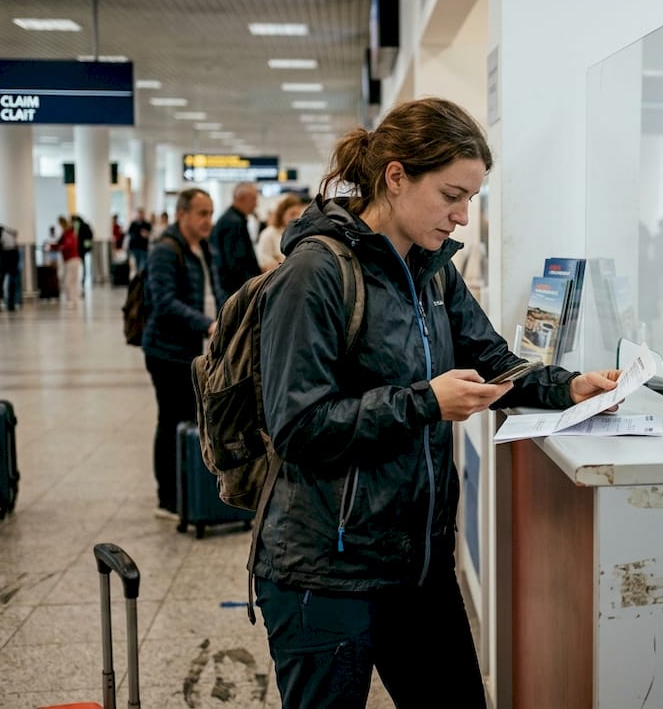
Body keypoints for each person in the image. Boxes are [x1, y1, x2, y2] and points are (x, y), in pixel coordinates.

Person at [253, 98, 621, 708]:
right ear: (396, 177)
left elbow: (493, 359)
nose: (462, 216)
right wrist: (424, 402)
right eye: (452, 195)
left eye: (471, 199)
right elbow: (298, 426)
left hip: (416, 563)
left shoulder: (433, 273)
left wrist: (567, 386)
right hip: (325, 570)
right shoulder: (314, 274)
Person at [141, 188, 218, 518]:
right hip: (166, 351)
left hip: (190, 351)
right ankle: (167, 498)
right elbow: (165, 303)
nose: (208, 220)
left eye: (210, 213)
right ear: (181, 214)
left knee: (186, 419)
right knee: (171, 420)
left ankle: (185, 491)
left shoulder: (202, 248)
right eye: (202, 213)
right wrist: (207, 325)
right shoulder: (165, 250)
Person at [210, 181, 261, 306]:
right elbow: (237, 263)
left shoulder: (231, 219)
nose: (256, 204)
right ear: (240, 199)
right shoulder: (234, 223)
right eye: (253, 199)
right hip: (235, 291)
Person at [254, 193, 307, 272]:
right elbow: (265, 264)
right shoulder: (268, 234)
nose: (296, 218)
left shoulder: (300, 234)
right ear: (282, 214)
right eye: (292, 214)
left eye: (298, 214)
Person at [46, 217, 82, 306]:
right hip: (69, 260)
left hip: (72, 260)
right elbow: (60, 244)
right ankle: (73, 299)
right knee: (72, 281)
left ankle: (72, 299)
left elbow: (68, 246)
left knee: (69, 281)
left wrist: (59, 247)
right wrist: (53, 246)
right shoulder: (66, 234)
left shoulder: (69, 235)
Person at [127, 207, 152, 275]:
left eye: (142, 214)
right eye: (139, 214)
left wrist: (146, 234)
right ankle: (138, 276)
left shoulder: (147, 224)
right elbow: (129, 233)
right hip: (135, 246)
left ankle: (142, 276)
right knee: (137, 263)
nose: (140, 215)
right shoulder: (133, 224)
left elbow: (149, 234)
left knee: (143, 263)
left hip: (143, 247)